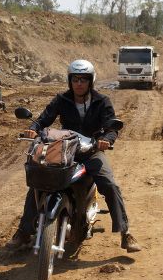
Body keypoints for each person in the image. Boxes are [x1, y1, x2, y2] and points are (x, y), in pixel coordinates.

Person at [10, 59, 142, 252]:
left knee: (110, 184)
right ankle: (24, 231)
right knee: (39, 179)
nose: (79, 83)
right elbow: (43, 119)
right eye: (75, 79)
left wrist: (107, 139)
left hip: (91, 151)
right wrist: (33, 129)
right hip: (65, 150)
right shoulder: (61, 100)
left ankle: (125, 233)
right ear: (70, 81)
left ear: (91, 81)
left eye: (83, 79)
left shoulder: (101, 101)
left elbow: (111, 127)